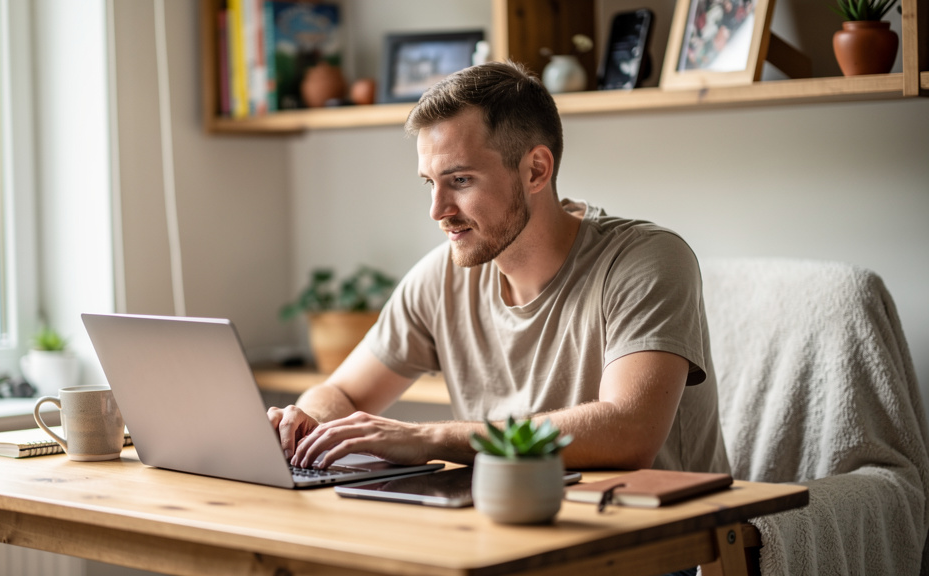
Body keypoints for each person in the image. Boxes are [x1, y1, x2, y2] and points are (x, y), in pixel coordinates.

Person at [268, 60, 729, 474]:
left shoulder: (646, 261)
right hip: (503, 523)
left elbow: (629, 432)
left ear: (536, 171)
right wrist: (307, 422)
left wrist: (430, 438)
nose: (437, 210)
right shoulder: (441, 278)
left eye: (460, 180)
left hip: (659, 533)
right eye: (430, 183)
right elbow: (343, 393)